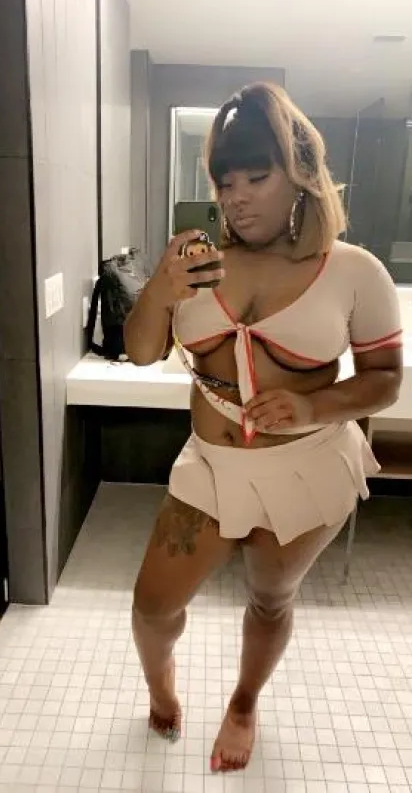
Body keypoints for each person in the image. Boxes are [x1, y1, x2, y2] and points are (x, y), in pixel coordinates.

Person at [125, 82, 403, 773]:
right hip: (210, 468)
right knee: (153, 605)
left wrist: (312, 407)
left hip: (306, 467)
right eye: (225, 182)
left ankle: (245, 702)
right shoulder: (197, 264)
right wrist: (159, 289)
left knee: (271, 599)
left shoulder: (354, 271)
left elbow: (385, 379)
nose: (237, 198)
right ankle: (161, 687)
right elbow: (142, 351)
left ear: (300, 172)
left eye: (257, 176)